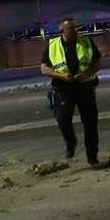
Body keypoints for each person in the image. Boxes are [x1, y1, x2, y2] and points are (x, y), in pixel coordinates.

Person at [41, 16, 103, 165]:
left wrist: (86, 74)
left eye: (75, 27)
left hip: (84, 86)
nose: (74, 30)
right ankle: (71, 142)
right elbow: (44, 68)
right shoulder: (52, 45)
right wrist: (61, 76)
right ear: (62, 30)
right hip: (62, 87)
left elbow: (98, 63)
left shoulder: (86, 42)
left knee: (90, 122)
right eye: (70, 28)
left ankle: (92, 156)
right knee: (62, 118)